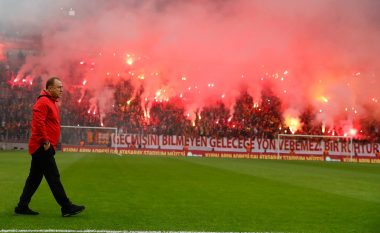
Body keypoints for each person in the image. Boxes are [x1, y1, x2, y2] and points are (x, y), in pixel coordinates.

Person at [15, 77, 85, 217]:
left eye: (62, 87)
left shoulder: (50, 102)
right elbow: (38, 123)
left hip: (44, 146)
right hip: (43, 147)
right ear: (50, 88)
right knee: (53, 177)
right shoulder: (43, 102)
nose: (61, 90)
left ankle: (22, 206)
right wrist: (46, 141)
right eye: (59, 87)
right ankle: (66, 207)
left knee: (34, 178)